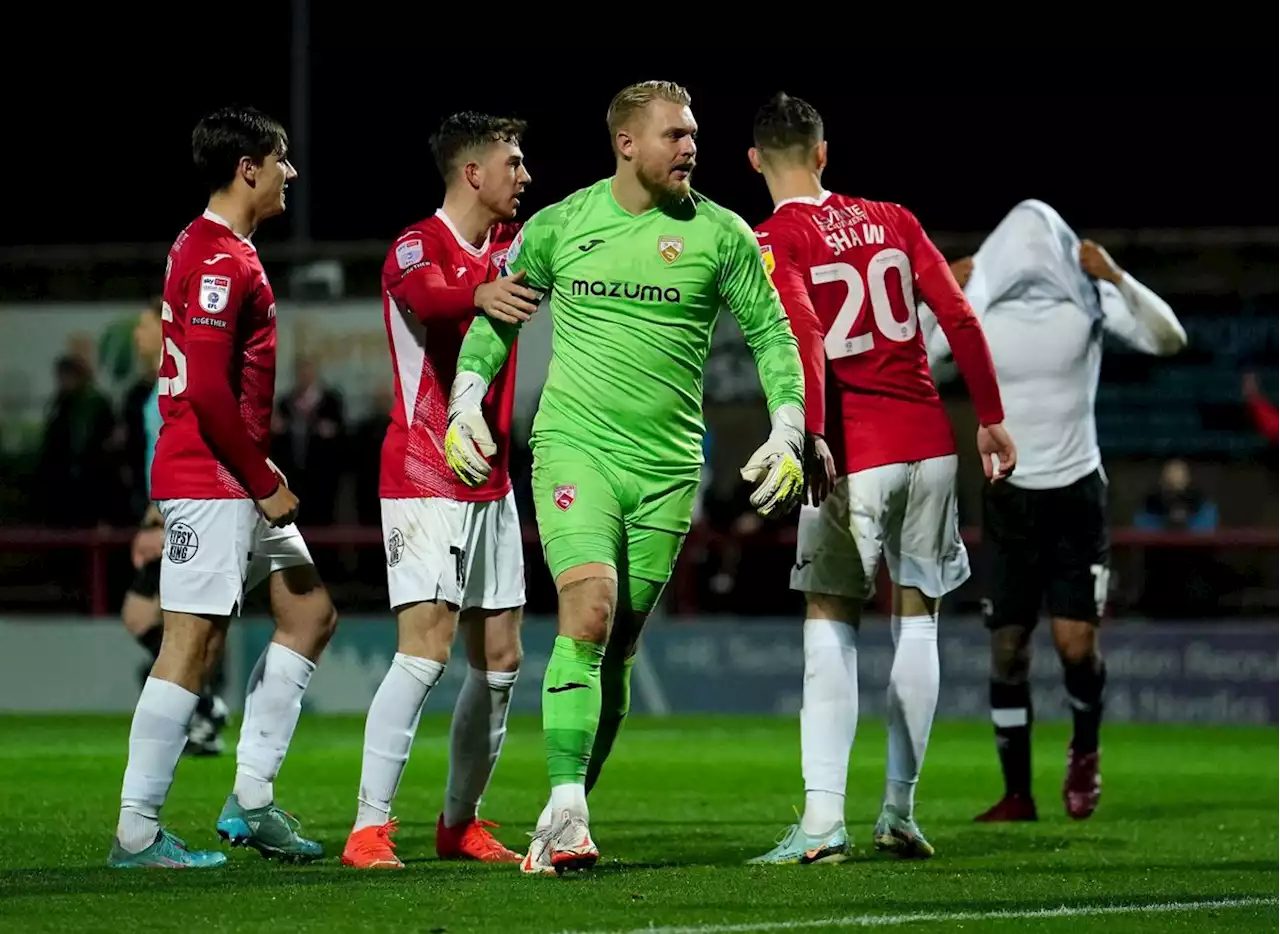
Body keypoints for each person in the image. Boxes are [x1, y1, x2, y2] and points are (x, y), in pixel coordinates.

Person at [443, 80, 807, 874]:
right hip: (576, 448)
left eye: (694, 135)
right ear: (626, 143)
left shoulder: (723, 234)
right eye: (674, 135)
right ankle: (567, 803)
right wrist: (466, 399)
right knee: (590, 611)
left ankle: (569, 807)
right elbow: (495, 320)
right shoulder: (560, 225)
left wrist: (790, 424)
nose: (691, 147)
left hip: (670, 467)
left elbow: (775, 336)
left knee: (620, 649)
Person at [742, 93, 1014, 865]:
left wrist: (815, 434)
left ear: (757, 161)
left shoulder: (775, 235)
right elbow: (958, 316)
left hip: (855, 448)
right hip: (932, 441)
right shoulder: (895, 217)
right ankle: (899, 811)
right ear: (824, 154)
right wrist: (990, 416)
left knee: (830, 618)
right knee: (918, 620)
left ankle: (824, 821)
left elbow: (805, 332)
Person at [108, 105, 338, 869]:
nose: (289, 174)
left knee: (309, 612)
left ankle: (251, 801)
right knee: (192, 642)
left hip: (226, 474)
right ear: (249, 168)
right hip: (214, 475)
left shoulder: (214, 246)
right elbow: (206, 391)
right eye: (280, 160)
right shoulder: (219, 259)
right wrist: (263, 479)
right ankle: (137, 831)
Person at [927, 200, 1186, 823]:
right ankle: (1016, 792)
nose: (1030, 243)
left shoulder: (1087, 299)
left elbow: (1169, 338)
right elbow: (923, 366)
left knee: (1076, 646)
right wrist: (932, 296)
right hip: (1010, 493)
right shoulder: (978, 305)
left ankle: (1085, 750)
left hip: (1076, 491)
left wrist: (1117, 276)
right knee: (1009, 649)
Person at [340, 112, 535, 870]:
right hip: (425, 471)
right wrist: (486, 292)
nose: (525, 175)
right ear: (473, 173)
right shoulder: (418, 243)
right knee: (425, 652)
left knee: (503, 655)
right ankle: (368, 828)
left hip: (492, 476)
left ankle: (460, 823)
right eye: (513, 162)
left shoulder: (514, 250)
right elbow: (427, 295)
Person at [121, 298, 228, 757]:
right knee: (158, 620)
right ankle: (203, 708)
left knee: (160, 619)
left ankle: (202, 708)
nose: (136, 334)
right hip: (165, 510)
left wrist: (164, 517)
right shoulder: (157, 383)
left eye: (143, 324)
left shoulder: (179, 380)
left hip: (181, 511)